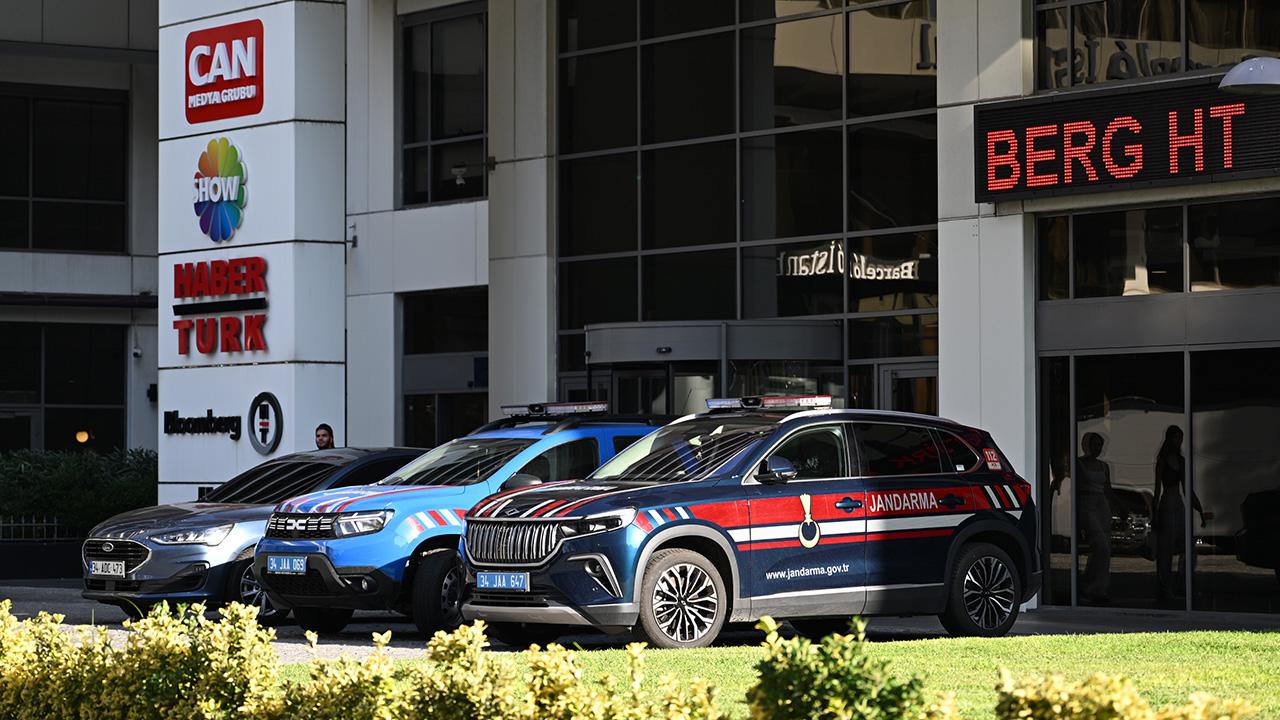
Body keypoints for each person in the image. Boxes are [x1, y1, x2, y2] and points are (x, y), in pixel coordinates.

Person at [1153, 425, 1212, 603]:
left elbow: (1188, 489)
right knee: (1166, 550)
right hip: (1167, 503)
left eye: (1180, 438)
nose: (1178, 441)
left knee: (1188, 548)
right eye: (1175, 438)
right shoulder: (1162, 460)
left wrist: (1200, 510)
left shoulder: (1181, 461)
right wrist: (1154, 513)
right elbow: (1157, 489)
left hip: (1178, 504)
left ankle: (1183, 586)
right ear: (1169, 439)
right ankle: (1166, 589)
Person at [1075, 432, 1117, 604]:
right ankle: (1086, 585)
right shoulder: (1078, 463)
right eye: (1094, 444)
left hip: (1102, 506)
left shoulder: (1103, 466)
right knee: (1101, 546)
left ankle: (1099, 589)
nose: (1097, 448)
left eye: (1100, 445)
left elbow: (1108, 489)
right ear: (1086, 445)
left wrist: (1119, 506)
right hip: (1086, 504)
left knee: (1105, 547)